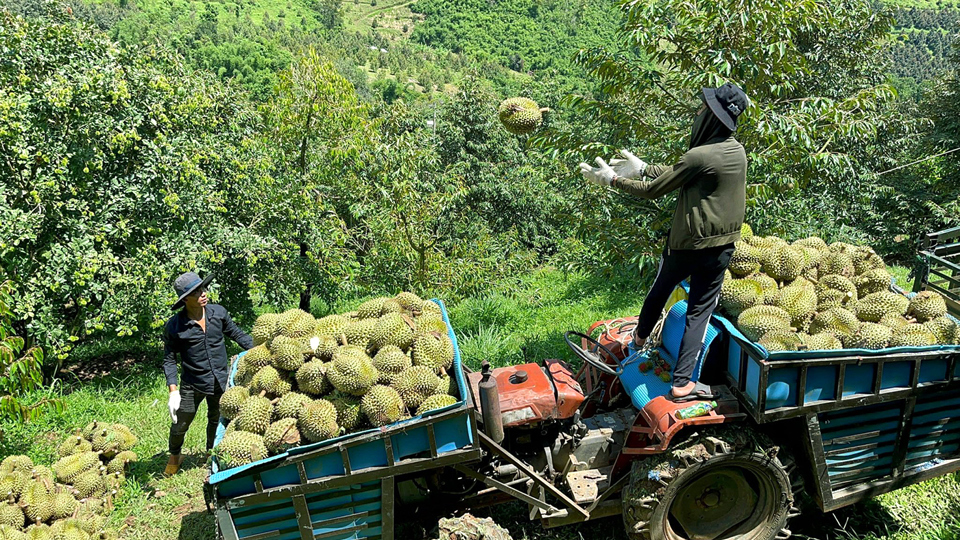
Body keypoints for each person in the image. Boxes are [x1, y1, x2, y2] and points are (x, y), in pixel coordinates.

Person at [579, 82, 749, 401]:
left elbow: (654, 189)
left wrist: (613, 180)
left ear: (711, 118)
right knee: (700, 311)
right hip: (721, 247)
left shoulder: (700, 155)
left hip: (685, 246)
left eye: (703, 110)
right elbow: (677, 172)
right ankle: (682, 382)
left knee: (661, 288)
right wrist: (642, 167)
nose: (699, 113)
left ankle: (638, 342)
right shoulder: (736, 151)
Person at [162, 272, 253, 475]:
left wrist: (259, 348)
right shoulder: (175, 326)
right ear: (185, 299)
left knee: (216, 419)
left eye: (203, 288)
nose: (204, 293)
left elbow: (237, 334)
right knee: (180, 422)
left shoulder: (218, 313)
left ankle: (211, 453)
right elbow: (169, 359)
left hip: (220, 380)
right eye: (197, 292)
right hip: (191, 384)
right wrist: (173, 391)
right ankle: (175, 454)